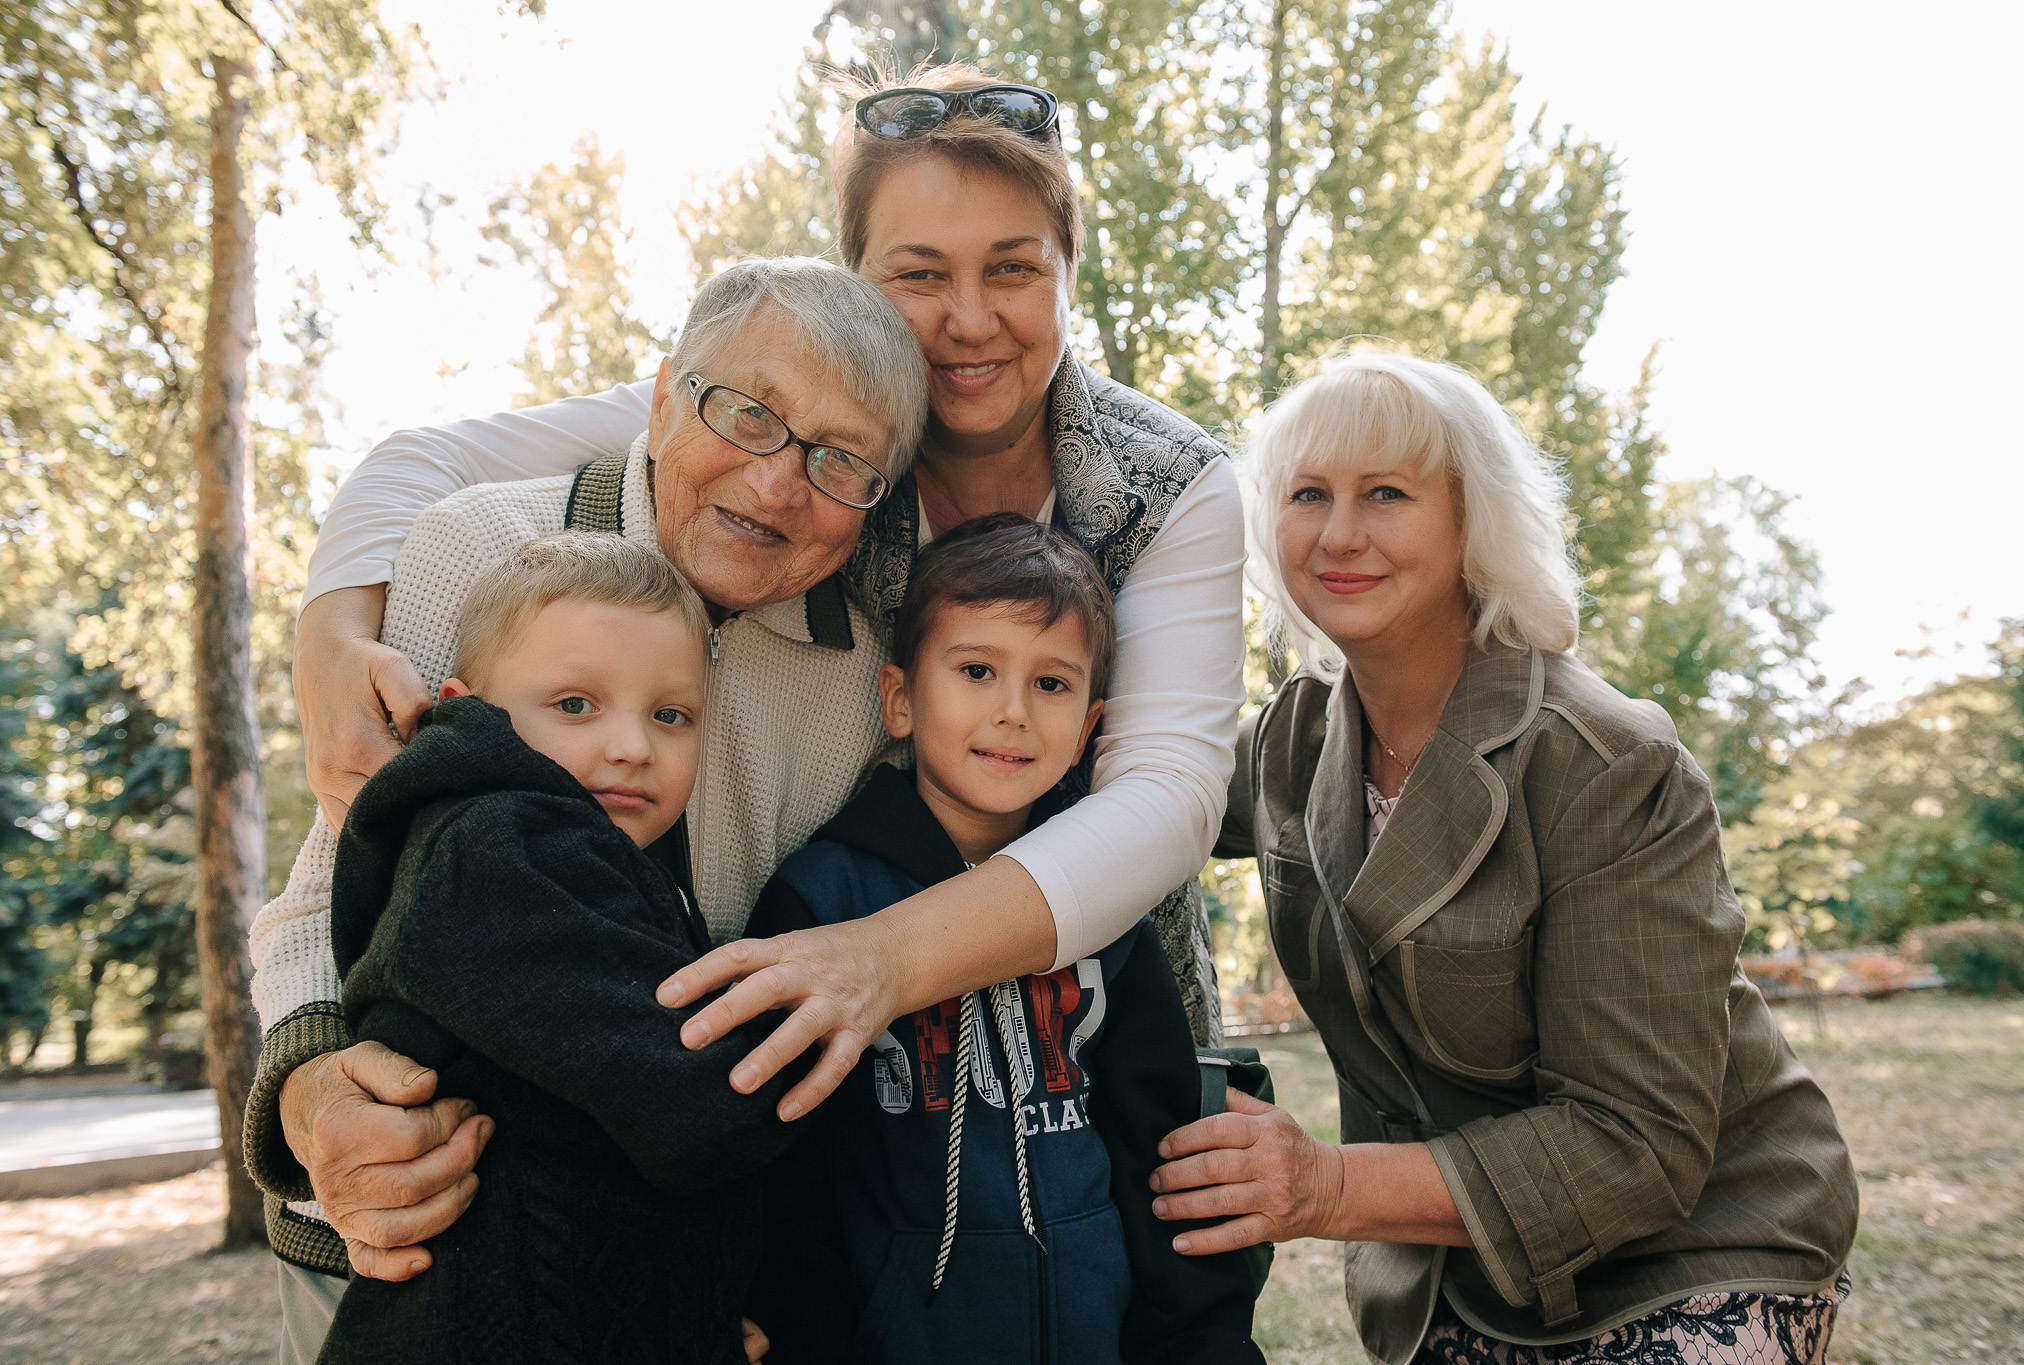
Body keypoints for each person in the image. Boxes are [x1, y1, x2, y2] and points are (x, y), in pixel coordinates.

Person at [259, 63, 1246, 1302]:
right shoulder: (744, 412)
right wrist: (330, 629)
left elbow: (1163, 801)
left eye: (1013, 266)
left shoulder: (1167, 487)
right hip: (472, 1217)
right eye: (916, 274)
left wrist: (875, 962)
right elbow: (428, 467)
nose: (967, 319)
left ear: (1065, 272)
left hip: (1053, 1039)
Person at [242, 256, 928, 1361]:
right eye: (748, 414)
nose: (776, 484)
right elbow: (337, 882)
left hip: (646, 1265)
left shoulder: (856, 685)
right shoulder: (475, 550)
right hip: (416, 1239)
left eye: (841, 459)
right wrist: (310, 1090)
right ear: (661, 398)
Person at [1143, 352, 1860, 1365]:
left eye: (1384, 493)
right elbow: (1135, 800)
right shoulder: (1293, 737)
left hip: (1696, 1250)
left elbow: (1636, 1144)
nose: (1338, 532)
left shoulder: (1606, 761)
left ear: (1469, 522)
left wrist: (1324, 1186)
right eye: (1307, 494)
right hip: (1455, 1279)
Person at [744, 516, 1263, 1365]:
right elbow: (790, 1180)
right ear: (901, 698)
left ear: (1092, 722)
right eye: (977, 670)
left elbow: (1160, 1153)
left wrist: (1199, 1342)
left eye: (1051, 684)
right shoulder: (820, 904)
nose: (1013, 712)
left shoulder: (1108, 909)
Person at [319, 533, 802, 1364]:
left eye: (670, 714)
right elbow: (701, 1101)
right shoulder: (496, 851)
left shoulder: (574, 859)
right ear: (466, 705)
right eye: (576, 705)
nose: (631, 746)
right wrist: (844, 1015)